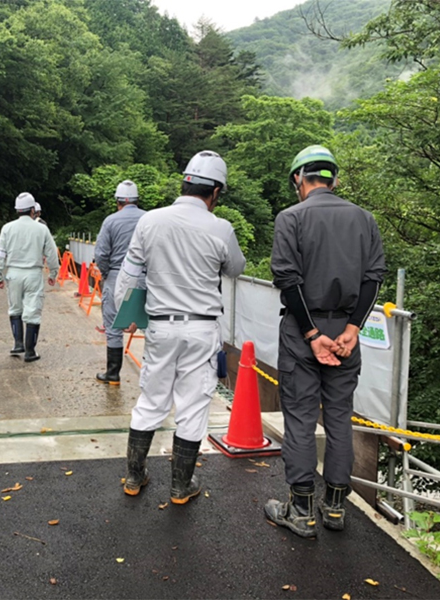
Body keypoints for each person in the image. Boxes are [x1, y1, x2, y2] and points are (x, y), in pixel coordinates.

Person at [265, 145, 386, 538]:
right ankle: (335, 507)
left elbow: (288, 279)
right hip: (346, 337)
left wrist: (313, 334)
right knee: (339, 417)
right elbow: (373, 277)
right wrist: (352, 329)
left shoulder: (291, 218)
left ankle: (301, 510)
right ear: (334, 179)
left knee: (300, 418)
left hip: (304, 333)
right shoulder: (364, 219)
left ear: (299, 179)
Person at [114, 151, 246, 504]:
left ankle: (134, 475)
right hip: (201, 329)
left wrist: (122, 318)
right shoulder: (221, 227)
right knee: (192, 405)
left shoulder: (150, 221)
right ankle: (180, 486)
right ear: (216, 191)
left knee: (151, 400)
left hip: (160, 327)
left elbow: (128, 275)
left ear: (185, 182)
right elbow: (235, 268)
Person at [0, 192, 60, 362]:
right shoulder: (41, 228)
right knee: (32, 312)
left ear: (17, 210)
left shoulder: (7, 228)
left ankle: (18, 343)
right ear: (32, 210)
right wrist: (53, 272)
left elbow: (0, 253)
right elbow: (51, 253)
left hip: (13, 273)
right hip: (33, 274)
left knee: (15, 309)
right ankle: (30, 351)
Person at [94, 180, 146, 385]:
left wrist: (106, 274)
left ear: (118, 201)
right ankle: (154, 377)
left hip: (116, 276)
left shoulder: (110, 221)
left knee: (114, 325)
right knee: (149, 327)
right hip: (144, 277)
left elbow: (101, 253)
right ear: (136, 200)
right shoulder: (148, 219)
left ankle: (113, 374)